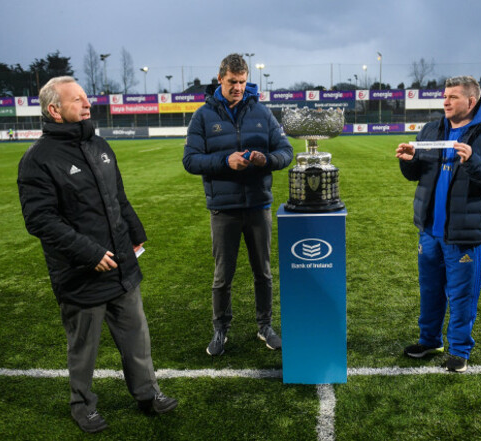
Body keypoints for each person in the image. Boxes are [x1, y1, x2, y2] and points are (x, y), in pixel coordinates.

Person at [17, 76, 178, 433]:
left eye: (86, 98)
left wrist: (136, 235)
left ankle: (147, 393)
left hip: (121, 266)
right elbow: (40, 220)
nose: (87, 104)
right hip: (81, 273)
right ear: (54, 110)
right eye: (77, 100)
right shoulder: (37, 160)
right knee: (84, 349)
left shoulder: (100, 145)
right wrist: (89, 253)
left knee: (137, 336)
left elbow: (118, 198)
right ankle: (82, 405)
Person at [396, 76, 481, 373]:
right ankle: (430, 340)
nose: (445, 101)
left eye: (453, 97)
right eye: (445, 96)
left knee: (462, 294)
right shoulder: (432, 129)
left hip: (464, 233)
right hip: (430, 232)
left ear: (471, 102)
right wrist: (408, 160)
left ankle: (459, 350)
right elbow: (416, 174)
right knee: (430, 290)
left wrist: (473, 161)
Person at [183, 53, 293, 356]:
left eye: (243, 82)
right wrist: (224, 161)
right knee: (223, 275)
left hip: (258, 206)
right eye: (233, 82)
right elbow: (190, 160)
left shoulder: (261, 112)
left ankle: (265, 326)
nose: (238, 88)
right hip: (223, 210)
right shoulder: (203, 116)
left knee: (264, 272)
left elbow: (286, 151)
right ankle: (220, 330)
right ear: (221, 79)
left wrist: (265, 159)